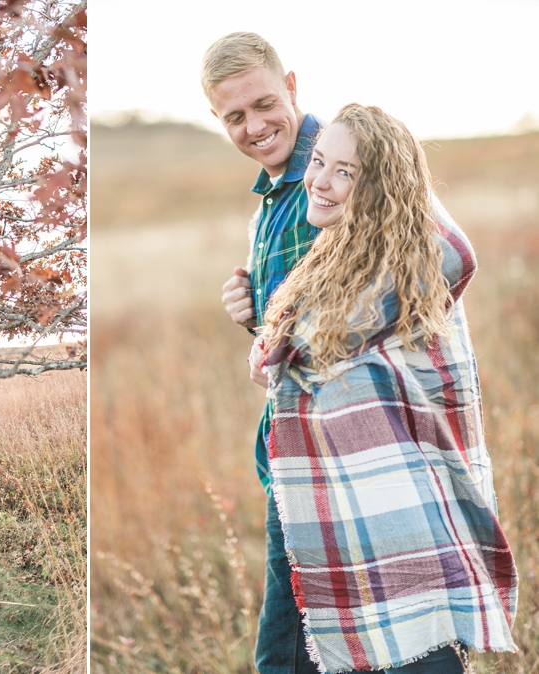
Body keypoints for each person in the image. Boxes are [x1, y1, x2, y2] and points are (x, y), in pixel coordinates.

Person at [252, 104, 517, 672]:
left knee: (418, 658)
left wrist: (274, 342)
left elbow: (306, 343)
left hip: (405, 518)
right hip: (341, 509)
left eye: (346, 172)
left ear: (383, 188)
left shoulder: (411, 259)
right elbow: (289, 349)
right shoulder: (342, 252)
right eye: (319, 161)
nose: (320, 181)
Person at [203, 31, 324, 672]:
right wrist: (254, 315)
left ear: (293, 87)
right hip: (294, 447)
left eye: (265, 103)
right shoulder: (273, 200)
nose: (255, 126)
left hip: (330, 452)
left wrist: (275, 344)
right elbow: (294, 334)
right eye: (235, 117)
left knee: (285, 655)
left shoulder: (331, 177)